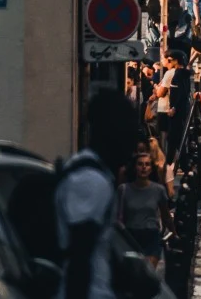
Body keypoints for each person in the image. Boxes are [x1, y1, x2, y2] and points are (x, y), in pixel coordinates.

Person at [56, 88, 141, 299]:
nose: (133, 146)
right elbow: (80, 256)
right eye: (128, 133)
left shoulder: (90, 173)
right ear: (112, 133)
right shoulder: (91, 181)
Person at [118, 148, 171, 269]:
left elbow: (165, 214)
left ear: (151, 168)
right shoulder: (124, 190)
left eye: (147, 164)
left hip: (151, 236)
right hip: (131, 237)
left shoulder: (158, 190)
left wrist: (174, 232)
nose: (144, 167)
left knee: (148, 271)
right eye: (140, 164)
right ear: (135, 167)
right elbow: (119, 216)